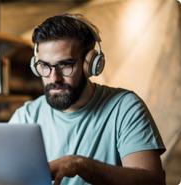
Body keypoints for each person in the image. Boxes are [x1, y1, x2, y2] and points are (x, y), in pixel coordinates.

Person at [9, 13, 166, 185]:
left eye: (65, 65)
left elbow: (153, 181)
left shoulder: (125, 107)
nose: (54, 78)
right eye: (45, 66)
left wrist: (81, 165)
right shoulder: (26, 116)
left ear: (90, 64)